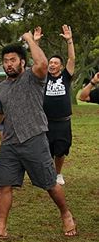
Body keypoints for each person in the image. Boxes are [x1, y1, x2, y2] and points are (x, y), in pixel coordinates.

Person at [0, 28, 77, 240]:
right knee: (4, 184)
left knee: (50, 184)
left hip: (34, 138)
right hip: (10, 143)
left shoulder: (33, 78)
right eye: (6, 61)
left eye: (13, 60)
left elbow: (42, 64)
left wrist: (29, 40)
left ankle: (66, 213)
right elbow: (0, 111)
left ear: (22, 62)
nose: (9, 64)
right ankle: (1, 228)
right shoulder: (3, 87)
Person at [39, 25, 75, 186]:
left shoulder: (66, 77)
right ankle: (47, 174)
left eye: (55, 63)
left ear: (61, 66)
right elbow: (38, 61)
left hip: (63, 121)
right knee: (46, 150)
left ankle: (58, 174)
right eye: (50, 62)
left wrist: (69, 41)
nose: (52, 64)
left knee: (60, 150)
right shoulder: (43, 77)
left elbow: (72, 59)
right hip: (46, 121)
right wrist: (35, 43)